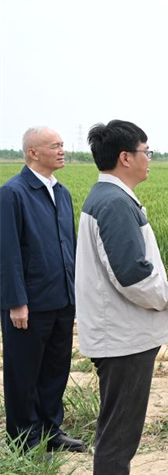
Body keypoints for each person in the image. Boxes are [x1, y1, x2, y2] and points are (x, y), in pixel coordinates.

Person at [76, 120, 168, 475]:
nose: (150, 160)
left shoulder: (109, 198)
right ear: (126, 157)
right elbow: (133, 276)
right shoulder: (113, 203)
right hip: (123, 337)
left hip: (121, 333)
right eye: (147, 152)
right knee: (120, 430)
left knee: (120, 426)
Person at [0, 127, 85, 453]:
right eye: (56, 146)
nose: (63, 150)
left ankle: (51, 432)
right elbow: (7, 253)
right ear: (33, 153)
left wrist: (76, 293)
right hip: (29, 303)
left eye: (63, 145)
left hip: (61, 298)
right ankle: (24, 440)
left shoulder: (61, 192)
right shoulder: (13, 192)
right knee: (24, 373)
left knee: (55, 369)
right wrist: (16, 301)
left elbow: (69, 246)